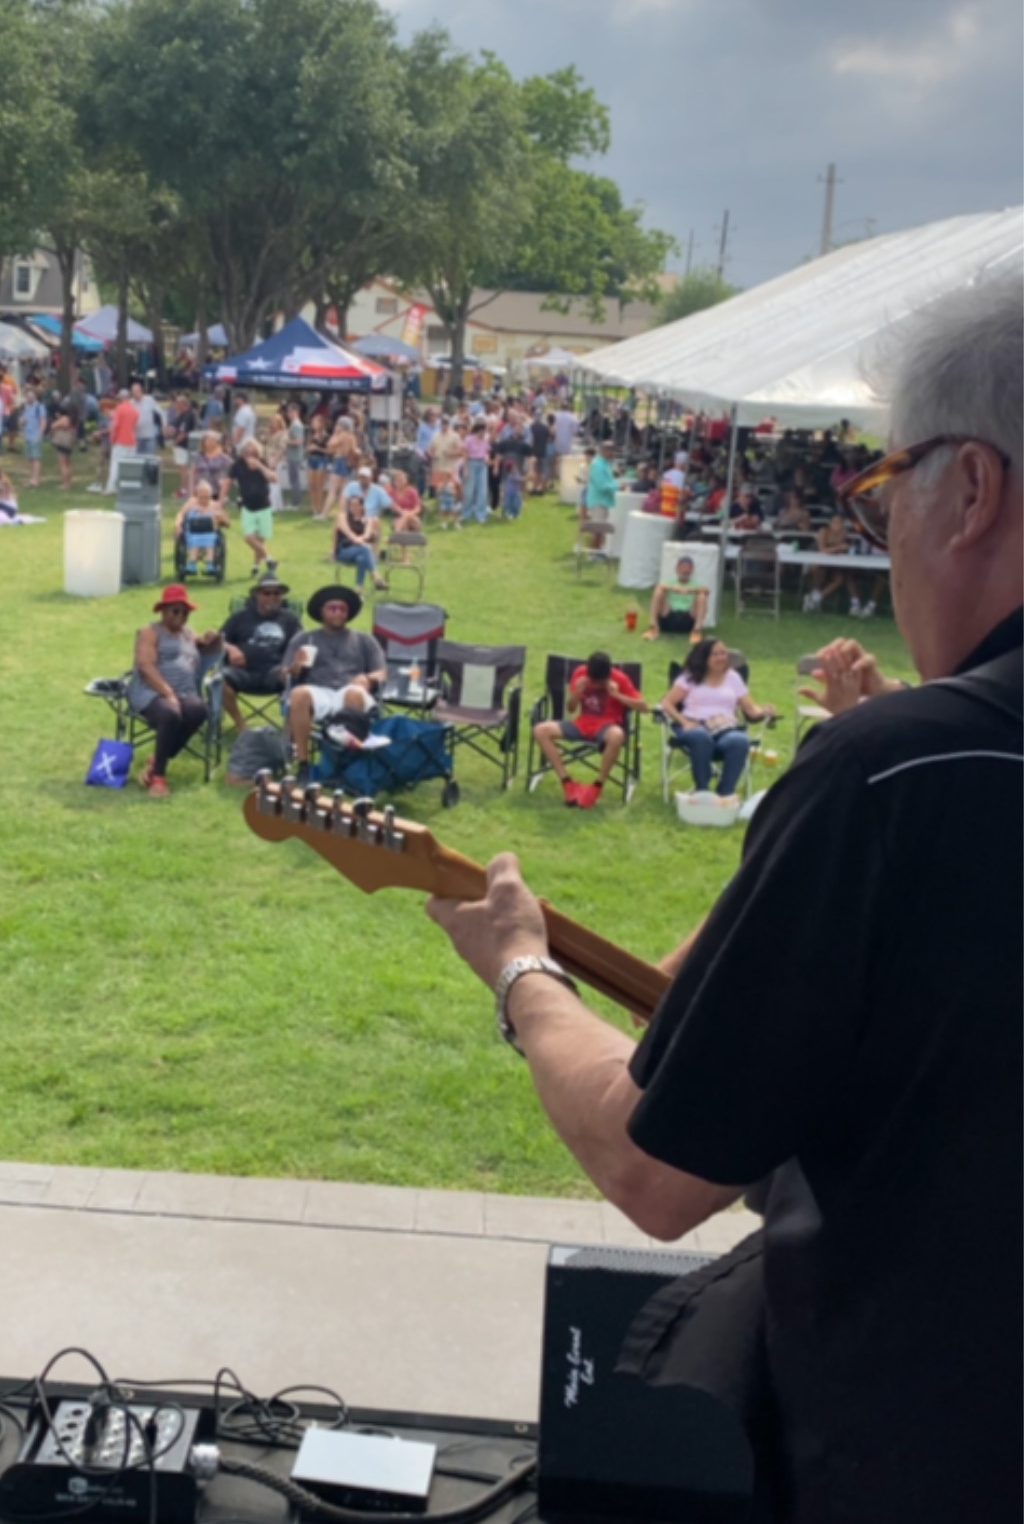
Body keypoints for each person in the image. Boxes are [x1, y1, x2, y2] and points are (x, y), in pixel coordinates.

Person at [425, 273, 1022, 1522]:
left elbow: (660, 1168)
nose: (883, 526)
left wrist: (525, 972)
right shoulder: (904, 770)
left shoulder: (897, 776)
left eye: (887, 480)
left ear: (970, 490)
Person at [281, 585, 387, 782]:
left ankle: (348, 765)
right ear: (321, 612)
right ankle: (303, 765)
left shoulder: (364, 639)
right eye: (332, 608)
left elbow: (381, 673)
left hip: (351, 689)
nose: (338, 612)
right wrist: (295, 667)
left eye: (342, 609)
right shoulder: (304, 639)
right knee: (298, 694)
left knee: (354, 693)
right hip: (318, 690)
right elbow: (283, 676)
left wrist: (368, 678)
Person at [128, 585, 222, 797]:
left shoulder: (187, 633)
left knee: (199, 710)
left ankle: (156, 761)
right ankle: (159, 778)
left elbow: (192, 648)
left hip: (184, 691)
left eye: (185, 612)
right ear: (163, 610)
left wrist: (205, 640)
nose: (181, 616)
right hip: (150, 692)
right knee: (171, 714)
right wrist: (168, 693)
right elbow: (145, 666)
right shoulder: (150, 632)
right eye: (175, 611)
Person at [658, 637, 776, 799]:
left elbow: (750, 708)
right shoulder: (689, 677)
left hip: (725, 727)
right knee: (701, 737)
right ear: (703, 657)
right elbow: (667, 702)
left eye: (723, 653)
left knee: (739, 740)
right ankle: (702, 791)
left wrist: (764, 711)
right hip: (694, 725)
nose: (721, 658)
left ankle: (725, 793)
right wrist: (683, 722)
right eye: (715, 654)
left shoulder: (733, 677)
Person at [531, 650, 648, 810]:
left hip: (607, 725)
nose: (597, 685)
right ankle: (567, 783)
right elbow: (571, 709)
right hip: (582, 723)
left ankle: (597, 786)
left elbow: (644, 707)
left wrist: (618, 695)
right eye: (595, 681)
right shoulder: (581, 673)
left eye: (601, 682)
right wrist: (577, 693)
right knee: (540, 730)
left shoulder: (620, 678)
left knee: (617, 735)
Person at [220, 569, 300, 734]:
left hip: (275, 671)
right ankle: (242, 727)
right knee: (218, 682)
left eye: (276, 593)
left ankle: (289, 731)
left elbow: (301, 644)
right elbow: (218, 640)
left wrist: (294, 664)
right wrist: (231, 648)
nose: (272, 597)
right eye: (267, 593)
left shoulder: (290, 620)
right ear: (257, 594)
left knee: (295, 679)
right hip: (242, 671)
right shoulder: (239, 617)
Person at [230, 436, 279, 575]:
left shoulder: (263, 463)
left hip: (264, 506)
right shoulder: (238, 465)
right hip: (247, 507)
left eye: (253, 454)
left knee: (260, 540)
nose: (249, 457)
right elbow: (228, 479)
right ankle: (270, 559)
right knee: (249, 537)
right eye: (246, 453)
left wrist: (260, 466)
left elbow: (274, 479)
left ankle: (255, 567)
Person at [802, 511, 861, 615]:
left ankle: (816, 598)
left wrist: (844, 549)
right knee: (819, 569)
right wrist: (838, 547)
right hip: (814, 561)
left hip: (832, 563)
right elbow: (822, 550)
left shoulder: (843, 533)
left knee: (840, 578)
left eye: (840, 523)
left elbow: (842, 550)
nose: (838, 525)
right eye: (835, 522)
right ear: (830, 523)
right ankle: (813, 594)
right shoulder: (823, 531)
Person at [333, 488, 388, 591]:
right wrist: (356, 539)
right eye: (351, 505)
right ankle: (376, 576)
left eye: (356, 505)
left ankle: (358, 589)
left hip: (360, 549)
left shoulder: (368, 519)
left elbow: (367, 535)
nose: (353, 507)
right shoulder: (342, 516)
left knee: (361, 559)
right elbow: (347, 532)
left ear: (362, 506)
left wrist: (360, 539)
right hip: (343, 550)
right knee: (366, 548)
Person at [643, 556, 709, 640]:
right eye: (683, 567)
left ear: (692, 570)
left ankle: (696, 631)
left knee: (701, 596)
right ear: (677, 569)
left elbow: (706, 590)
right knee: (658, 592)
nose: (685, 570)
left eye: (688, 568)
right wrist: (675, 589)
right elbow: (657, 586)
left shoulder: (696, 584)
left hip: (689, 617)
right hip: (668, 615)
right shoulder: (670, 582)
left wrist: (688, 590)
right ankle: (653, 627)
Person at [173, 477, 230, 567]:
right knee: (192, 539)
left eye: (206, 495)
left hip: (210, 534)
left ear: (210, 494)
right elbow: (180, 514)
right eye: (201, 494)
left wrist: (222, 519)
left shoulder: (214, 505)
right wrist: (177, 525)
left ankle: (210, 564)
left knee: (212, 537)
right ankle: (192, 564)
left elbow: (227, 522)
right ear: (197, 494)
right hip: (192, 533)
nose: (204, 497)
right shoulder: (192, 502)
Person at [105, 386, 139, 494]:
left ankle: (111, 487)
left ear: (121, 398)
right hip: (132, 441)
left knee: (115, 464)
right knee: (130, 465)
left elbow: (115, 426)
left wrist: (112, 438)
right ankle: (129, 486)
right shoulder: (134, 411)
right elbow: (133, 426)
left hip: (120, 441)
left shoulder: (119, 408)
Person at [459, 417, 491, 525]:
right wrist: (465, 468)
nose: (484, 433)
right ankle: (465, 513)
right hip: (471, 463)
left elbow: (486, 451)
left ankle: (481, 514)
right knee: (469, 490)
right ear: (478, 429)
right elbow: (465, 455)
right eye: (483, 430)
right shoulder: (469, 439)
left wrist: (486, 457)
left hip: (482, 464)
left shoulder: (485, 439)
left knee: (482, 490)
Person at [21, 383, 47, 487]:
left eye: (31, 396)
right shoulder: (26, 407)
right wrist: (22, 421)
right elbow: (23, 421)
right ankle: (32, 478)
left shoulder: (39, 407)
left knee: (36, 458)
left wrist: (40, 434)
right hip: (27, 435)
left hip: (35, 435)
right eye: (28, 396)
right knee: (30, 458)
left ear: (35, 396)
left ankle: (36, 479)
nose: (29, 398)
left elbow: (43, 421)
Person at [284, 401, 305, 510]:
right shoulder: (293, 424)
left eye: (290, 411)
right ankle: (295, 502)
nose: (288, 413)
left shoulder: (296, 425)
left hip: (295, 457)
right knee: (293, 480)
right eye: (288, 411)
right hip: (292, 456)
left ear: (296, 412)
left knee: (295, 480)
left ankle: (295, 503)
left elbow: (298, 441)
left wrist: (286, 441)